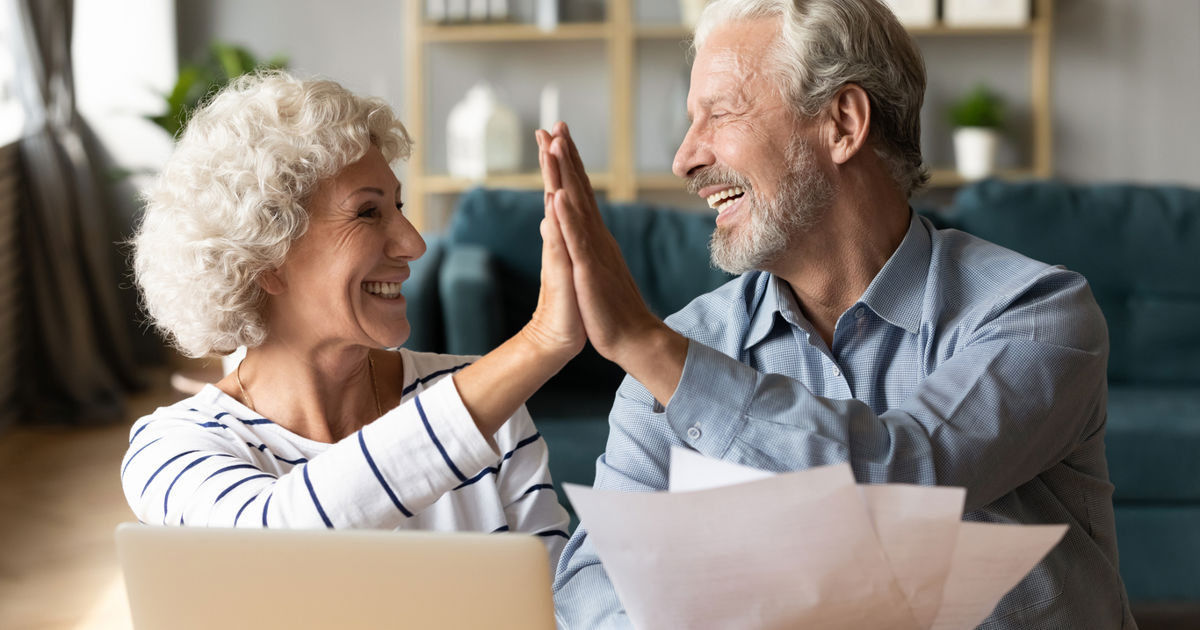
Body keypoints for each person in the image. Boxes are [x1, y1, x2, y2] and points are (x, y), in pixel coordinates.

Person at [542, 0, 1136, 627]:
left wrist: (646, 345)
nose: (685, 157)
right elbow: (593, 583)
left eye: (719, 113)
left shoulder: (1035, 313)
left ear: (843, 124)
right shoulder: (688, 345)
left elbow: (906, 475)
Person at [122, 71, 584, 567]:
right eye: (367, 213)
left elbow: (558, 601)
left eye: (399, 206)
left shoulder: (492, 409)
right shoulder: (172, 448)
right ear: (264, 258)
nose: (414, 244)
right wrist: (539, 342)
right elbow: (269, 544)